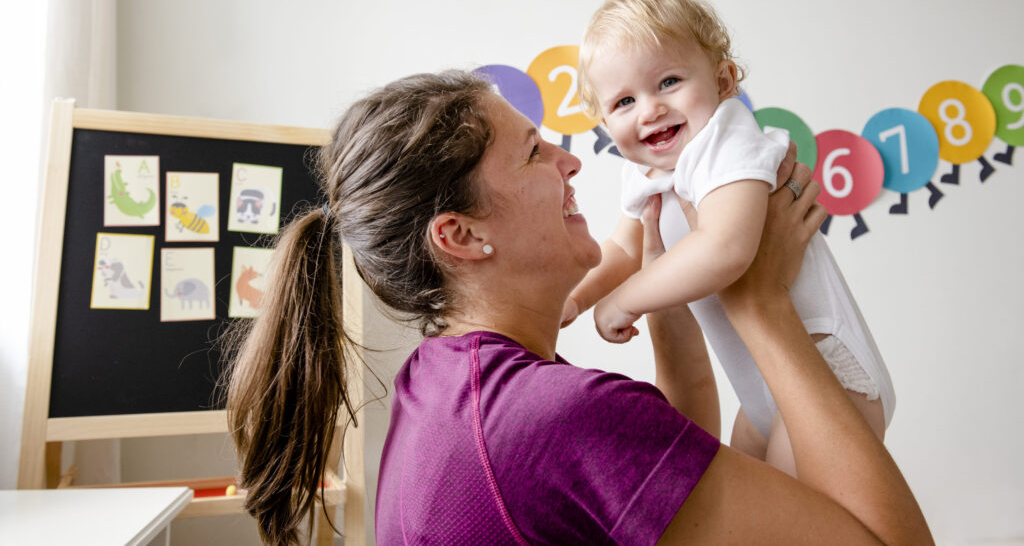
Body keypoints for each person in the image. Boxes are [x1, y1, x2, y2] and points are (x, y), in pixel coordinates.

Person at [227, 70, 932, 545]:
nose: (573, 163)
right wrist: (761, 304)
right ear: (462, 235)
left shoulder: (443, 382)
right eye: (534, 152)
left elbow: (671, 465)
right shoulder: (552, 418)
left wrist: (673, 280)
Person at [565, 0, 895, 473]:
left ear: (723, 81)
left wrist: (625, 300)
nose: (650, 109)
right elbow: (622, 248)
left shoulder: (726, 142)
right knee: (742, 500)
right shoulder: (644, 172)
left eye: (669, 81)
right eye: (625, 101)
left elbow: (726, 249)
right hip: (761, 388)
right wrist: (574, 301)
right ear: (604, 122)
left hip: (825, 368)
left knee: (796, 517)